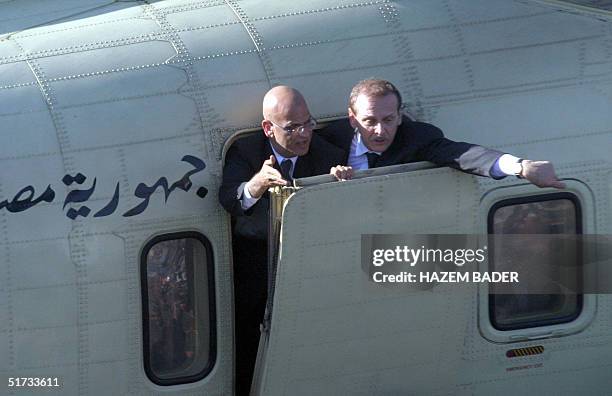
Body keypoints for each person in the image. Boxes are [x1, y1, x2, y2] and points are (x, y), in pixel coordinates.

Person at [218, 85, 345, 395]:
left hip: (309, 262)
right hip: (256, 263)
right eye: (292, 127)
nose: (304, 134)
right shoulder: (246, 152)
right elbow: (230, 200)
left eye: (308, 123)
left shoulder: (327, 155)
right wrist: (257, 184)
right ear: (268, 129)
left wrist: (340, 185)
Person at [322, 79, 566, 189]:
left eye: (388, 120)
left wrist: (521, 167)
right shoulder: (331, 140)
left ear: (399, 115)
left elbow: (464, 154)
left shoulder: (417, 138)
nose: (380, 131)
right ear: (353, 119)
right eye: (369, 121)